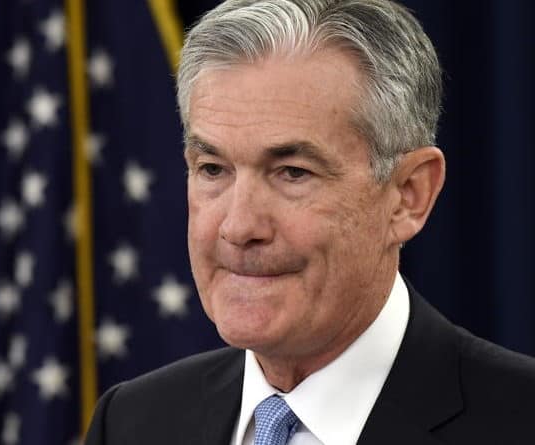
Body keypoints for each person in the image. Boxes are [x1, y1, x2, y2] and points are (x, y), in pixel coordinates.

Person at [85, 0, 535, 444]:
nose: (239, 227)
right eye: (213, 169)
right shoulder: (131, 422)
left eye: (293, 173)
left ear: (407, 196)